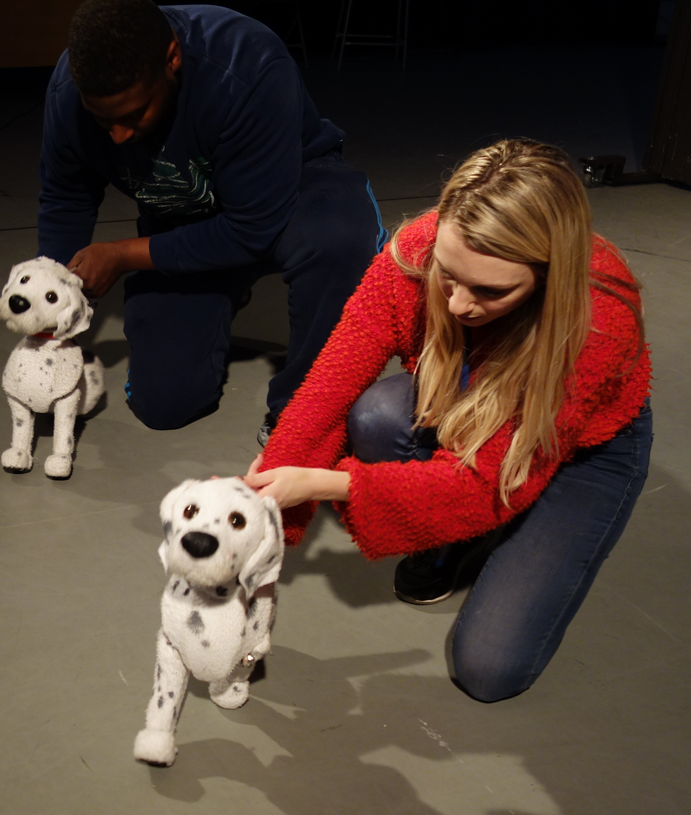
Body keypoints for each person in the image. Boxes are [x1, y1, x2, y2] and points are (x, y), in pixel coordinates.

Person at [245, 140, 653, 702]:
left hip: (586, 451)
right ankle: (449, 544)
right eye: (448, 275)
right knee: (378, 415)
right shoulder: (415, 253)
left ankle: (499, 528)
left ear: (548, 277)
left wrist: (321, 482)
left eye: (490, 290)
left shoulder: (597, 319)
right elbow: (329, 386)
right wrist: (270, 493)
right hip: (468, 405)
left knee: (489, 669)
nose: (459, 304)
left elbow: (492, 483)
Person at [37, 0, 387, 441]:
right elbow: (66, 197)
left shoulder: (247, 65)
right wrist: (54, 305)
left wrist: (123, 255)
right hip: (185, 212)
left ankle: (305, 414)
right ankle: (222, 293)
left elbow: (252, 228)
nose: (119, 136)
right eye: (103, 121)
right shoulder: (69, 93)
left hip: (293, 192)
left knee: (339, 240)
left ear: (172, 58)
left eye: (134, 114)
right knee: (164, 404)